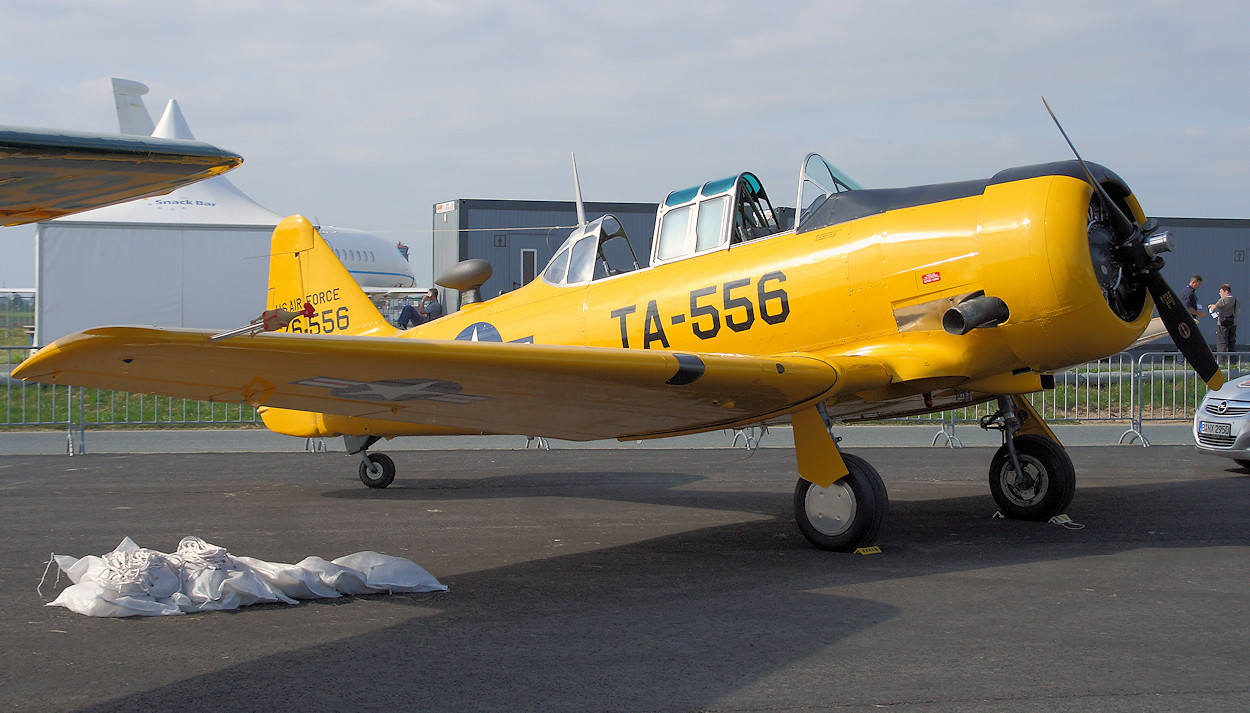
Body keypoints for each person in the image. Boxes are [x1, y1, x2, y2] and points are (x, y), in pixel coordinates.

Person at [1208, 283, 1240, 352]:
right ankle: (1232, 361)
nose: (1220, 294)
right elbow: (1238, 312)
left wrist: (1211, 306)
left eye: (1221, 292)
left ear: (1226, 291)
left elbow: (1213, 308)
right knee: (1231, 343)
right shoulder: (1236, 300)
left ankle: (1221, 360)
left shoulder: (1223, 300)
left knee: (1222, 342)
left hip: (1222, 323)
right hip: (1233, 323)